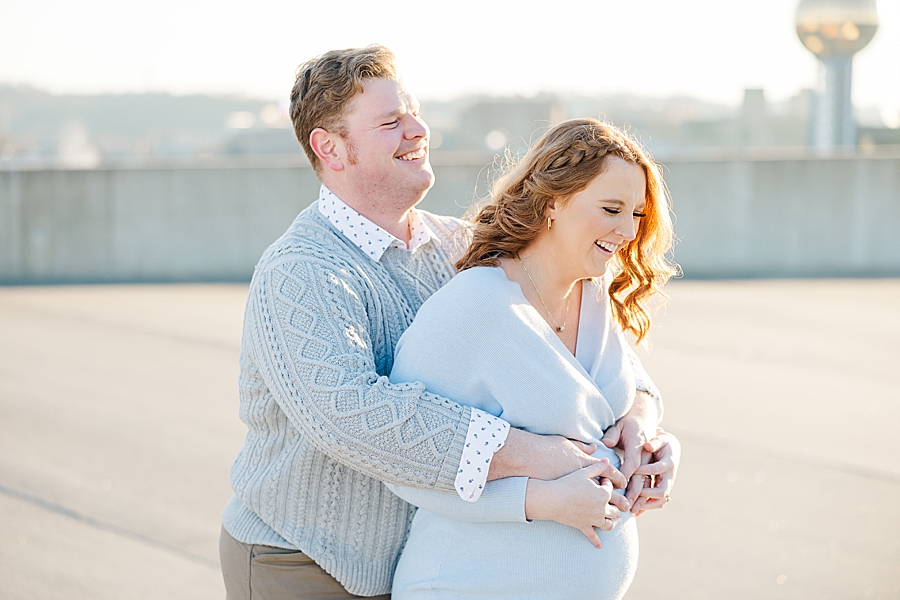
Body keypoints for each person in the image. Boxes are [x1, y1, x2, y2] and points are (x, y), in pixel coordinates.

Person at [218, 44, 678, 600]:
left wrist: (639, 419)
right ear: (330, 147)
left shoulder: (460, 246)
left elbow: (582, 355)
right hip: (304, 558)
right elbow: (351, 414)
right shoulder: (300, 271)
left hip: (413, 555)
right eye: (391, 122)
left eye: (414, 113)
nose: (418, 130)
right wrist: (539, 456)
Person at [386, 118, 679, 599]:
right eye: (611, 209)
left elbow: (624, 391)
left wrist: (650, 439)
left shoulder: (594, 293)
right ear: (553, 203)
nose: (627, 231)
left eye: (637, 215)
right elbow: (402, 463)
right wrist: (539, 501)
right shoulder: (475, 306)